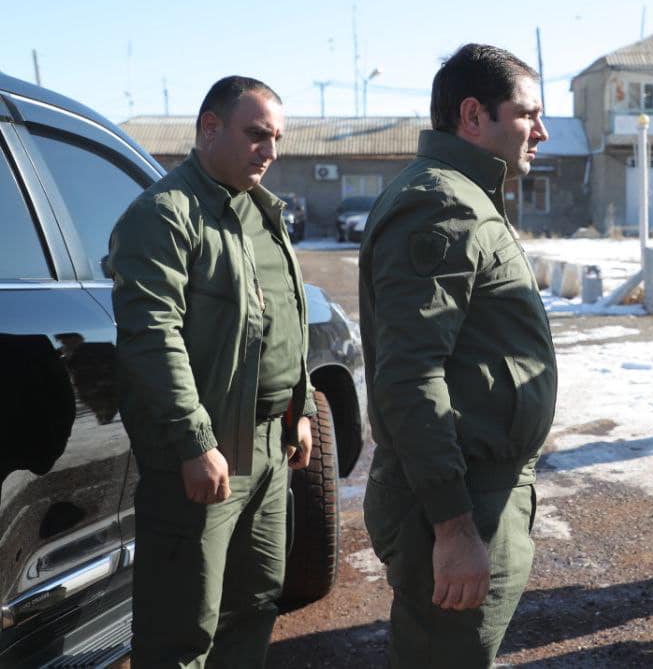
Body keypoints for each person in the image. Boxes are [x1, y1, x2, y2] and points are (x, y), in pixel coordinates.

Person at [360, 43, 557, 667]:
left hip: (480, 489)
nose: (542, 132)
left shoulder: (467, 197)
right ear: (474, 115)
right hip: (458, 498)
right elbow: (410, 375)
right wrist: (453, 525)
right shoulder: (441, 204)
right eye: (527, 114)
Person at [110, 76, 315, 667]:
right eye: (256, 134)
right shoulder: (165, 215)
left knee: (254, 602)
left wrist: (298, 409)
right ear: (209, 128)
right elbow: (153, 337)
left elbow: (284, 314)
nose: (269, 151)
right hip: (206, 453)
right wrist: (195, 441)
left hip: (270, 445)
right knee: (182, 628)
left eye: (276, 139)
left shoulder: (261, 210)